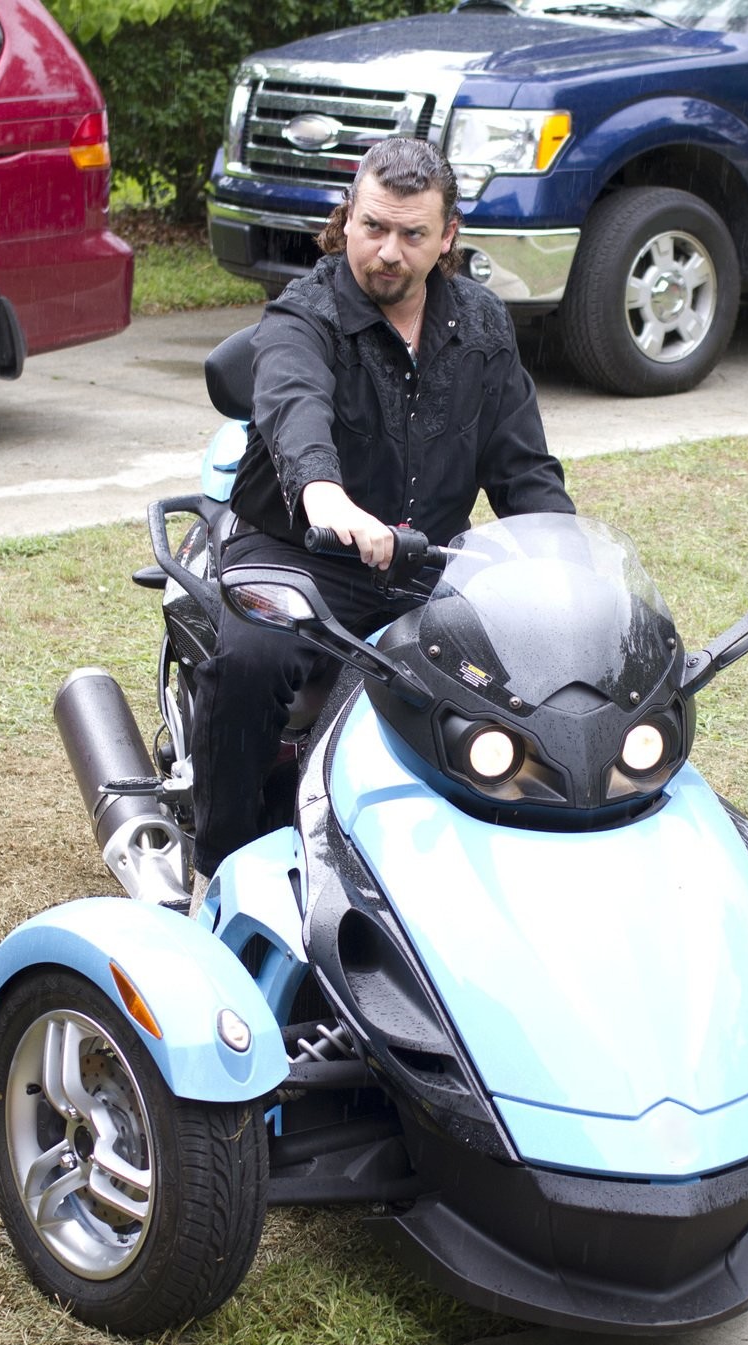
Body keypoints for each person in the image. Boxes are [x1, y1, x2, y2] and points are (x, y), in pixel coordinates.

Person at [190, 137, 575, 881]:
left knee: (531, 668)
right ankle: (218, 870)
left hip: (425, 566)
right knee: (251, 658)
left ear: (448, 237)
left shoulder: (482, 328)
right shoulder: (304, 315)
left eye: (411, 234)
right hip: (298, 551)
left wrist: (564, 560)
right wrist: (328, 499)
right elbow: (294, 409)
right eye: (373, 227)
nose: (388, 252)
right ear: (348, 218)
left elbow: (524, 470)